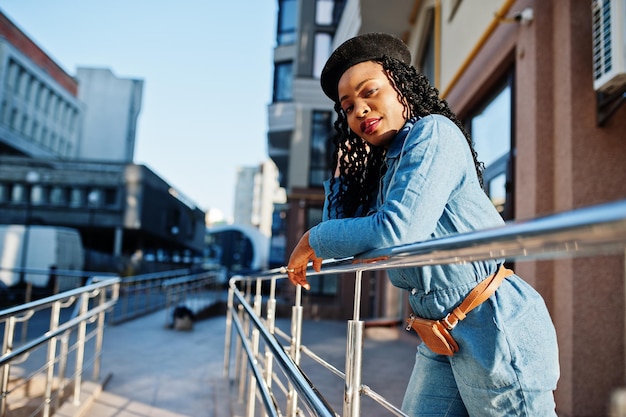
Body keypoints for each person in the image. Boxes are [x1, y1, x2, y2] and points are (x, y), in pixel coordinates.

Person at [285, 32, 559, 416]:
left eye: (369, 92)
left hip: (492, 326)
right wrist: (346, 162)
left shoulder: (432, 134)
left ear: (401, 87)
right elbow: (350, 236)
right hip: (438, 331)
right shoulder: (389, 166)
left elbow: (393, 233)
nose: (359, 110)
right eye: (347, 107)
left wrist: (315, 236)